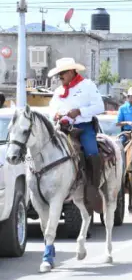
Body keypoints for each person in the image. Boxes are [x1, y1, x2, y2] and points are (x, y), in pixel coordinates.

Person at [47, 57, 106, 212]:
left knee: (91, 151)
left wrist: (80, 111)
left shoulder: (87, 85)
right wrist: (55, 115)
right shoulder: (58, 90)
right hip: (63, 128)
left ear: (72, 72)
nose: (60, 77)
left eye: (63, 73)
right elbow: (51, 108)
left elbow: (100, 106)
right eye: (59, 74)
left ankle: (93, 187)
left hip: (83, 127)